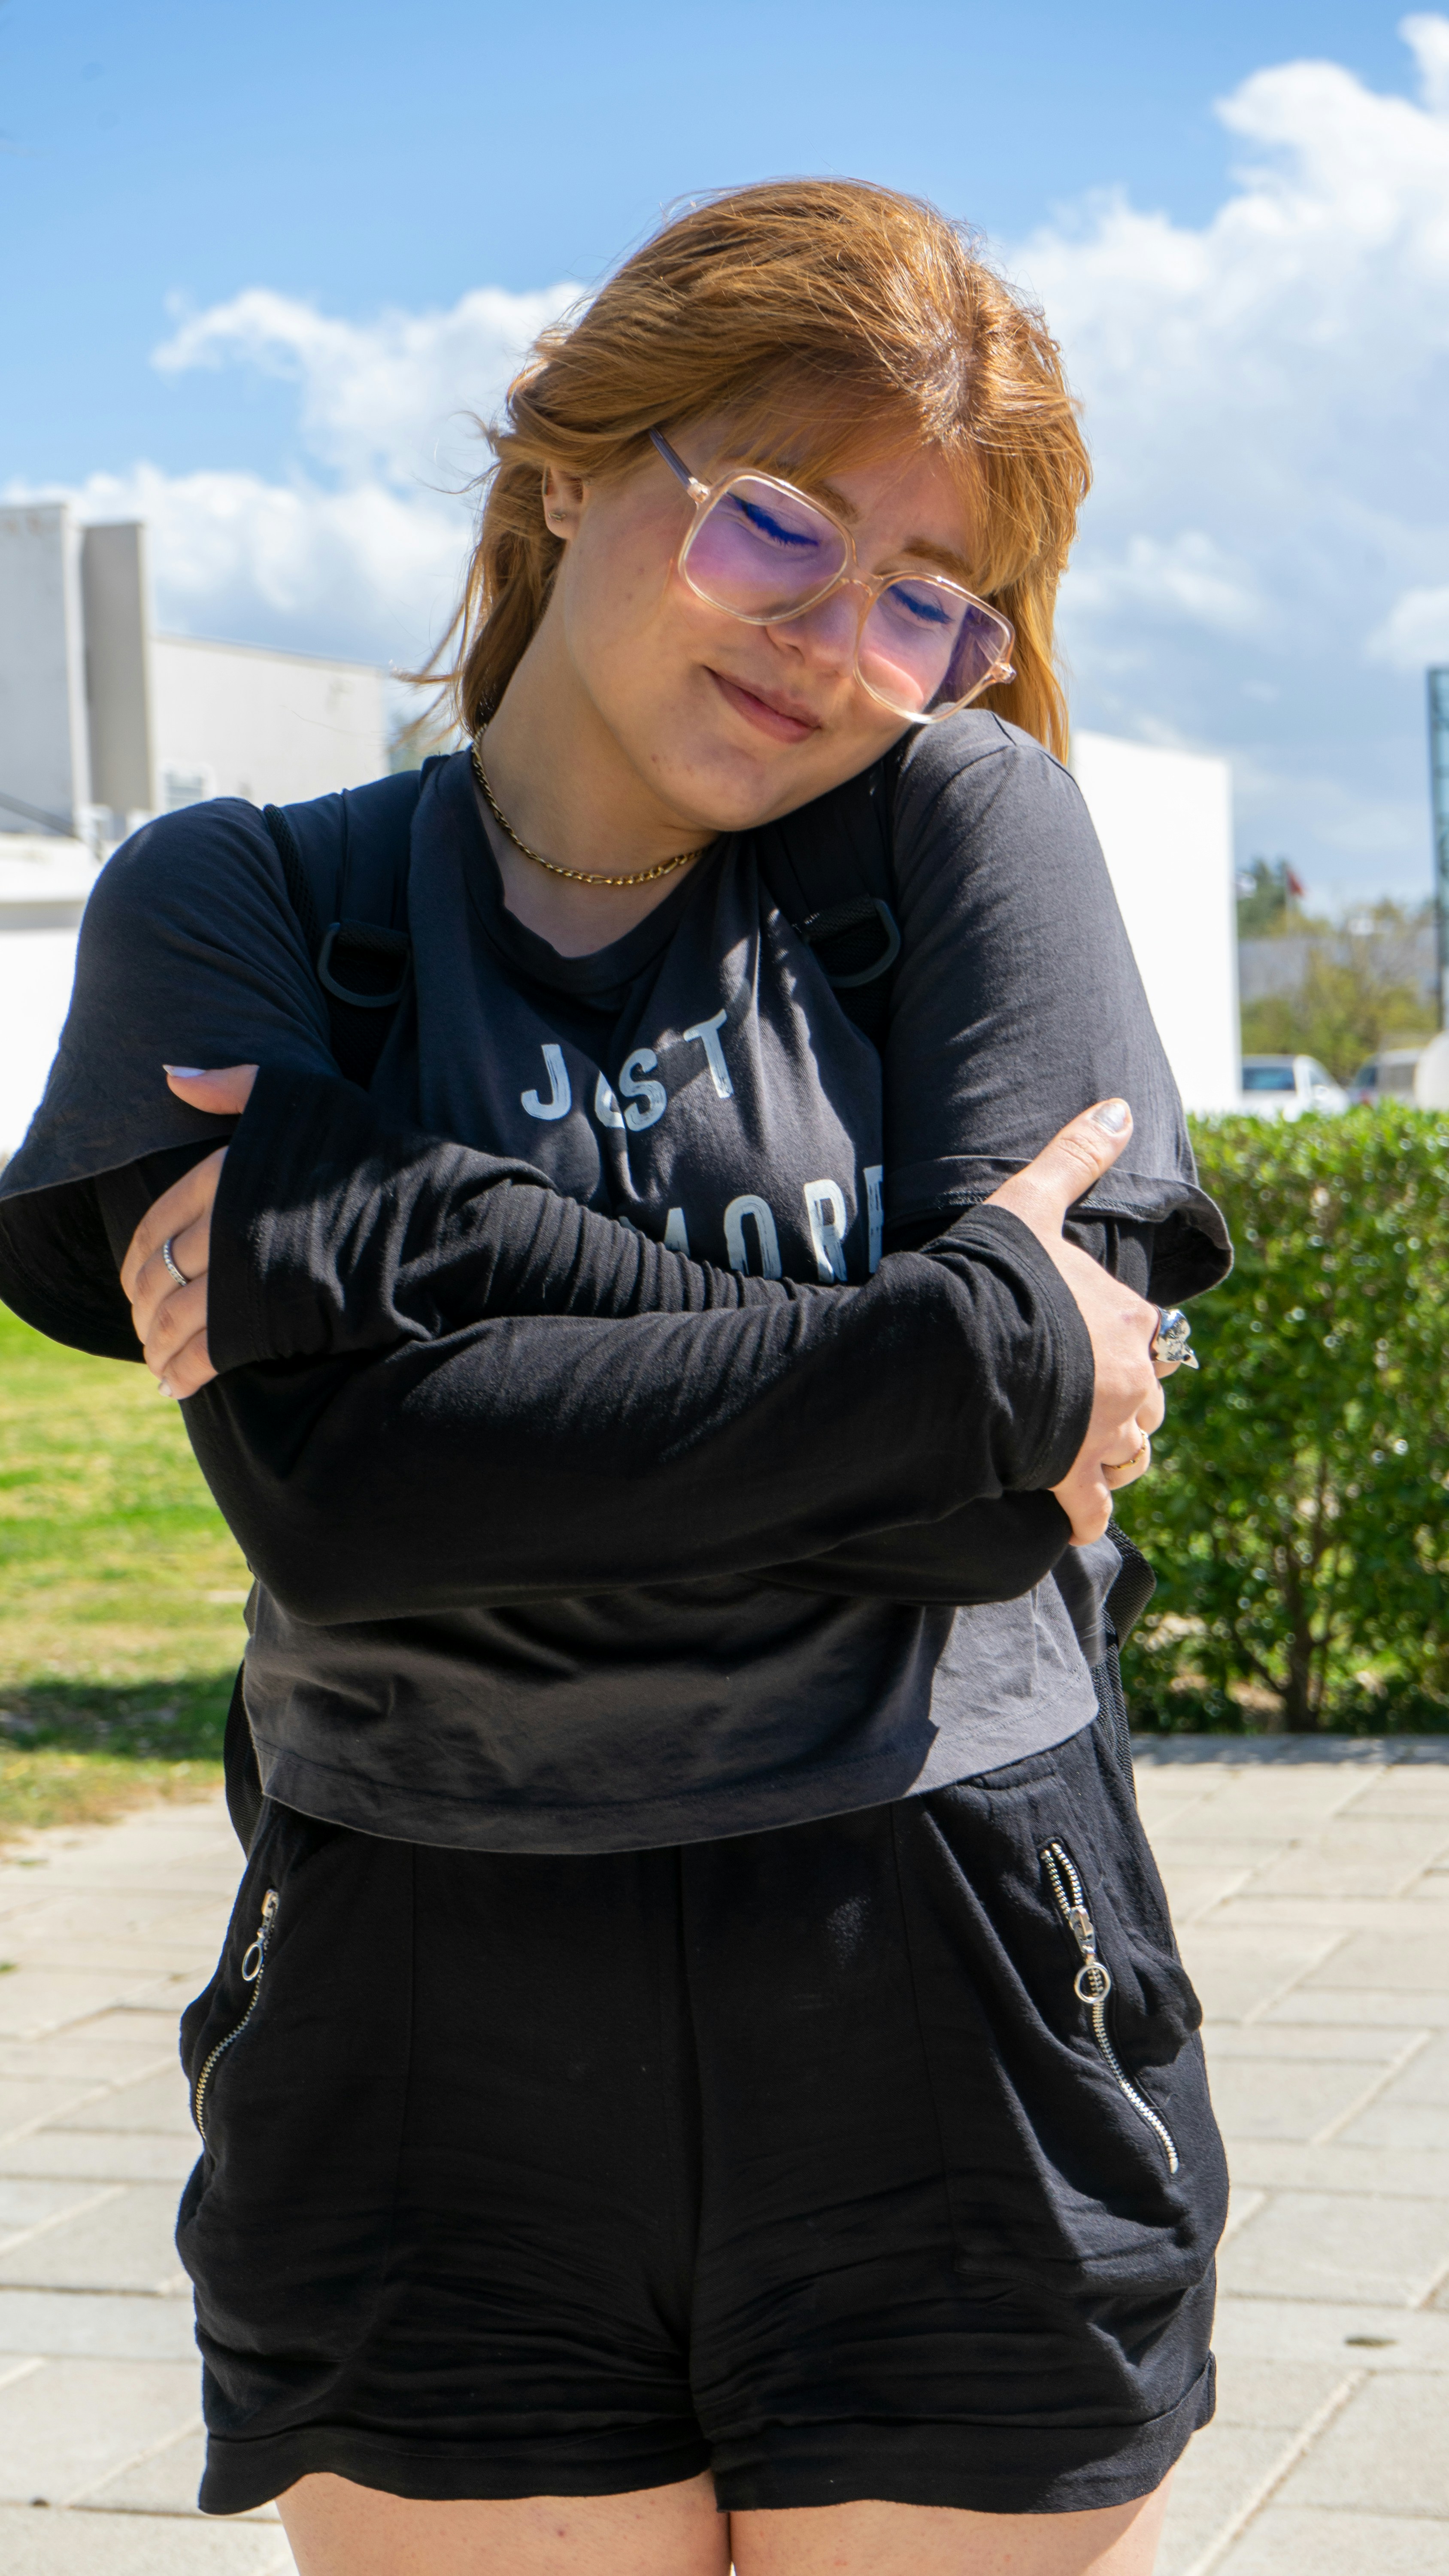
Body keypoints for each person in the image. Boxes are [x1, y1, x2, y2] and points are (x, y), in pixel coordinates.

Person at [0, 181, 1231, 2576]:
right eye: (779, 519)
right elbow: (351, 1509)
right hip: (422, 2014)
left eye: (927, 598)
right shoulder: (249, 905)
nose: (841, 644)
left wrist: (400, 1221)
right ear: (573, 460)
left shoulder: (964, 843)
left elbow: (1011, 1492)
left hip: (952, 1970)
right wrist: (940, 1339)